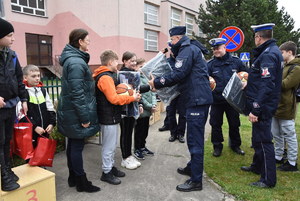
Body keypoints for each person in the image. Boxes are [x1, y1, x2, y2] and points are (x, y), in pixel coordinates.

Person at [149, 26, 213, 192]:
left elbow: (179, 73)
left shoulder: (186, 50)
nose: (170, 43)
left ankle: (196, 181)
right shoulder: (191, 48)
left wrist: (157, 82)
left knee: (195, 140)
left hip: (196, 100)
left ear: (177, 38)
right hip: (196, 98)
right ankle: (193, 167)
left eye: (172, 40)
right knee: (193, 138)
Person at [57, 28, 100, 193]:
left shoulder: (74, 59)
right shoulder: (76, 62)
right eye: (88, 40)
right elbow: (77, 93)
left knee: (73, 145)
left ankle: (73, 178)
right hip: (76, 113)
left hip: (71, 111)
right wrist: (84, 117)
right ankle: (81, 181)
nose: (89, 43)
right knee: (76, 146)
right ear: (80, 41)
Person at [241, 23, 283, 188]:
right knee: (257, 139)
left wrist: (256, 108)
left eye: (255, 36)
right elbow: (261, 80)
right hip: (264, 103)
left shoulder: (267, 55)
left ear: (258, 37)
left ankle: (268, 180)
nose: (255, 39)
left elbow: (267, 85)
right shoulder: (272, 51)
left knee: (265, 141)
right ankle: (257, 166)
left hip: (263, 106)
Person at [93, 50, 141, 185]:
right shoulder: (105, 77)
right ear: (110, 62)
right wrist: (131, 97)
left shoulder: (107, 75)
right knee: (108, 146)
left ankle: (111, 167)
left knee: (112, 145)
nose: (117, 63)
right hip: (108, 117)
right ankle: (106, 172)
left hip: (111, 116)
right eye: (116, 61)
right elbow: (113, 98)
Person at [0, 18, 28, 191]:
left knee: (7, 140)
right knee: (0, 141)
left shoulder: (11, 55)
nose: (12, 39)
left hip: (11, 105)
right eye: (9, 35)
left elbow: (19, 78)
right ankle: (4, 177)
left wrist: (24, 99)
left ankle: (8, 170)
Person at [207, 38, 247, 157]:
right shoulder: (210, 64)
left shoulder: (236, 62)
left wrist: (245, 81)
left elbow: (246, 74)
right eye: (214, 49)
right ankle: (217, 146)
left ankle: (235, 145)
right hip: (216, 100)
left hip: (232, 101)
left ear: (225, 47)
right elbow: (205, 79)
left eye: (218, 48)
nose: (216, 51)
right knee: (215, 124)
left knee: (234, 124)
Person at [271, 41, 300, 171]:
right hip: (276, 104)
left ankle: (292, 162)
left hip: (287, 105)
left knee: (289, 134)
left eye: (281, 52)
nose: (280, 54)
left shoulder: (297, 68)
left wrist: (270, 81)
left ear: (290, 52)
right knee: (276, 133)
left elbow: (285, 85)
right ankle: (278, 156)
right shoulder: (284, 66)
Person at [22, 65, 56, 148]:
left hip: (44, 130)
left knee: (43, 155)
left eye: (38, 76)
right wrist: (35, 127)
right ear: (25, 77)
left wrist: (51, 123)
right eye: (33, 76)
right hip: (31, 132)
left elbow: (50, 107)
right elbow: (22, 115)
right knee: (32, 157)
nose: (37, 78)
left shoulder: (42, 90)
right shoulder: (23, 93)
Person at [119, 51, 142, 169]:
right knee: (125, 133)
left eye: (135, 61)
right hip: (124, 109)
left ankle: (129, 155)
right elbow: (122, 91)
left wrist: (140, 105)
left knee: (129, 133)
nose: (134, 63)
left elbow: (138, 90)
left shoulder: (134, 73)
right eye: (131, 61)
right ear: (124, 61)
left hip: (133, 108)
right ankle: (125, 158)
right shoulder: (121, 75)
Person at [133, 58, 157, 160]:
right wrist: (149, 106)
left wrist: (154, 104)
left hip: (149, 110)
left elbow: (152, 92)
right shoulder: (136, 78)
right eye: (141, 67)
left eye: (145, 67)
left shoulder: (148, 78)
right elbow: (139, 95)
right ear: (136, 67)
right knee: (139, 131)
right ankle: (137, 149)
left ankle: (143, 146)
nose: (143, 69)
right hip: (142, 109)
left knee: (145, 131)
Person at [167, 52, 186, 143]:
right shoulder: (167, 62)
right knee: (171, 114)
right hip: (171, 92)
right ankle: (173, 134)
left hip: (182, 91)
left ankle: (181, 134)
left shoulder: (184, 60)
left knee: (183, 114)